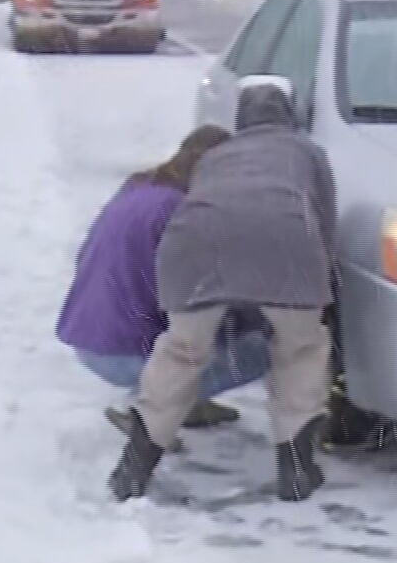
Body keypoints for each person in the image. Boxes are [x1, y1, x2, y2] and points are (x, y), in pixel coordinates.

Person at [109, 75, 338, 502]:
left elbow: (216, 208)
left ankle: (133, 468)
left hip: (192, 245)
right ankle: (296, 468)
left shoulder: (219, 154)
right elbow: (324, 221)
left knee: (182, 352)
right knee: (300, 351)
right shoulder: (307, 151)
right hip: (286, 244)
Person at [57, 125, 273, 434]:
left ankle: (183, 402)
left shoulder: (139, 188)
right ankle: (150, 407)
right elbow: (202, 299)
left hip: (90, 339)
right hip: (123, 353)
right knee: (263, 348)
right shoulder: (184, 214)